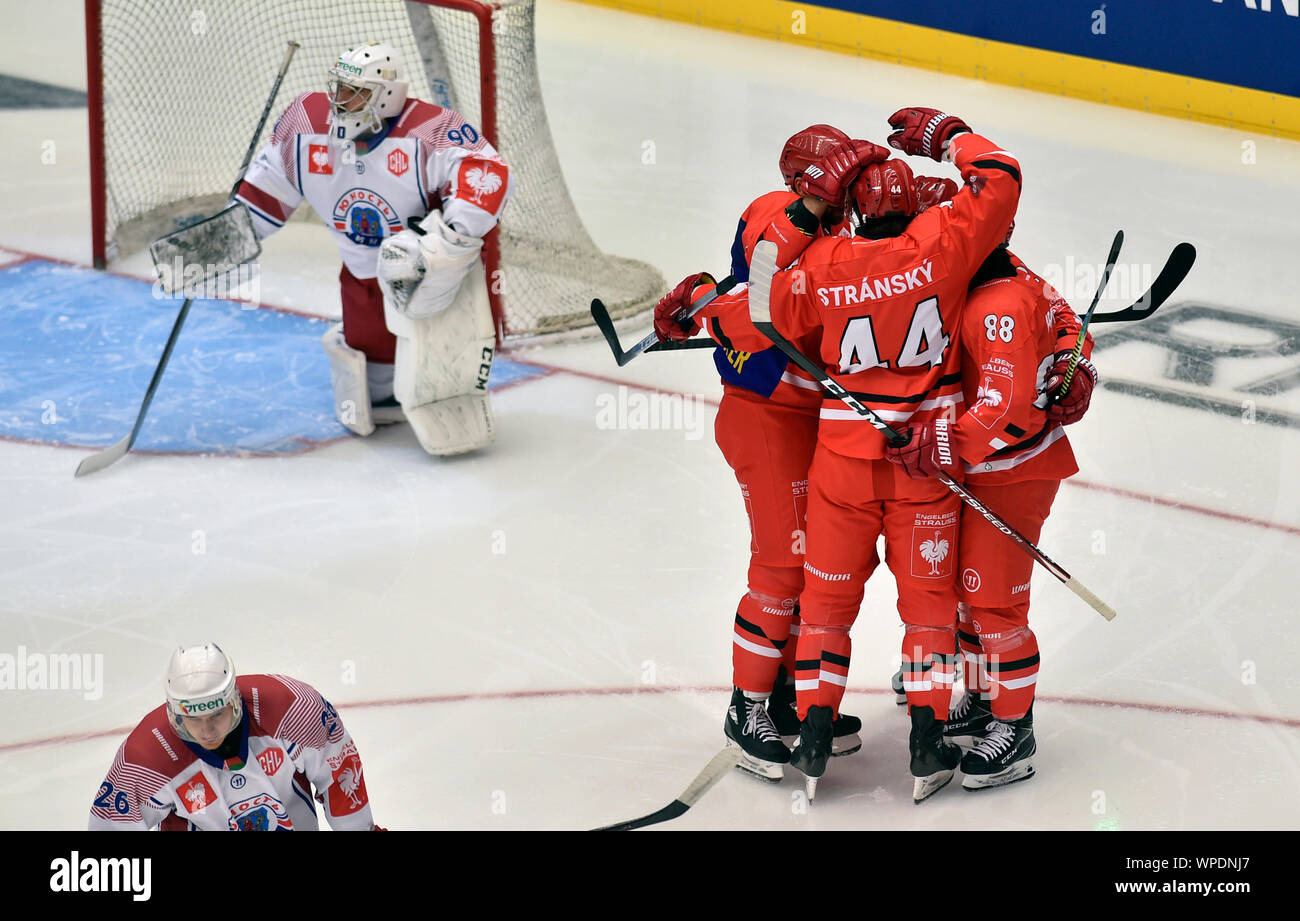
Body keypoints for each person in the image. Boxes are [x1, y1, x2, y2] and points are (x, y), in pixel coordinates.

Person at [667, 107, 1022, 802]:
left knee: (823, 592)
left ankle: (808, 713)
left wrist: (708, 307)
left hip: (832, 445)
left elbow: (762, 304)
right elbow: (992, 197)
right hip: (781, 422)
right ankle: (755, 709)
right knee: (794, 572)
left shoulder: (829, 258)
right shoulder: (811, 220)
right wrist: (948, 142)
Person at [654, 125, 890, 780]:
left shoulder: (843, 232)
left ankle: (785, 696)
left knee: (823, 563)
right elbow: (759, 285)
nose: (852, 198)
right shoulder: (773, 211)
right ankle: (748, 705)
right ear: (806, 183)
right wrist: (811, 209)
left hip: (816, 418)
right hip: (765, 417)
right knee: (783, 565)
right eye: (838, 187)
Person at [887, 221, 1096, 790]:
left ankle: (1015, 727)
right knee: (962, 594)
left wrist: (941, 445)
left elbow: (1006, 413)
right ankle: (983, 701)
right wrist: (1073, 360)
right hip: (982, 469)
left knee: (993, 602)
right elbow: (1066, 322)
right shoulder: (1007, 271)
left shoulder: (995, 305)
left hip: (1012, 472)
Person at [235, 41, 512, 455]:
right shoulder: (305, 123)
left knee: (444, 359)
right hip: (361, 270)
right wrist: (229, 235)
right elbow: (268, 188)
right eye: (339, 89)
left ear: (386, 96)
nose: (341, 101)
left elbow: (486, 169)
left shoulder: (429, 130)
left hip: (425, 267)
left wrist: (451, 237)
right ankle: (389, 379)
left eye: (356, 92)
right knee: (375, 389)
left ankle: (449, 379)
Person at [89, 644, 381, 830]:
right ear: (176, 714)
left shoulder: (293, 709)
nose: (207, 730)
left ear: (234, 701)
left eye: (216, 715)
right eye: (194, 719)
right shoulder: (145, 759)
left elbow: (339, 775)